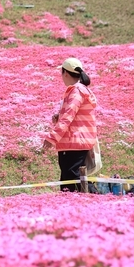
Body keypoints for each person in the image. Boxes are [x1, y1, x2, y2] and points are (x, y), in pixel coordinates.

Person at [42, 57, 98, 192]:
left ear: (65, 73)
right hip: (76, 141)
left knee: (70, 181)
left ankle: (96, 200)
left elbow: (68, 116)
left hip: (74, 142)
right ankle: (93, 201)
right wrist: (59, 116)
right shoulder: (78, 90)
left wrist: (52, 137)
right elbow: (72, 115)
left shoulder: (76, 91)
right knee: (74, 178)